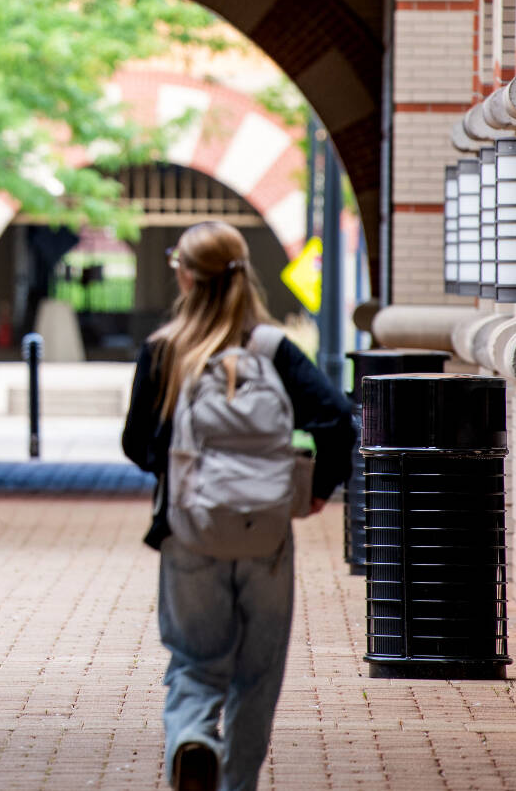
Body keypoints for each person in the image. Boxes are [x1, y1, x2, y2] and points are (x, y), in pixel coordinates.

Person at [121, 220, 356, 791]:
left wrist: (181, 474)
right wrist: (316, 488)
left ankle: (194, 737)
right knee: (258, 671)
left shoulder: (166, 350)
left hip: (190, 530)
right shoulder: (274, 349)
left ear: (184, 274)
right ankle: (238, 781)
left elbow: (137, 442)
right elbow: (338, 421)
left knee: (195, 662)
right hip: (266, 531)